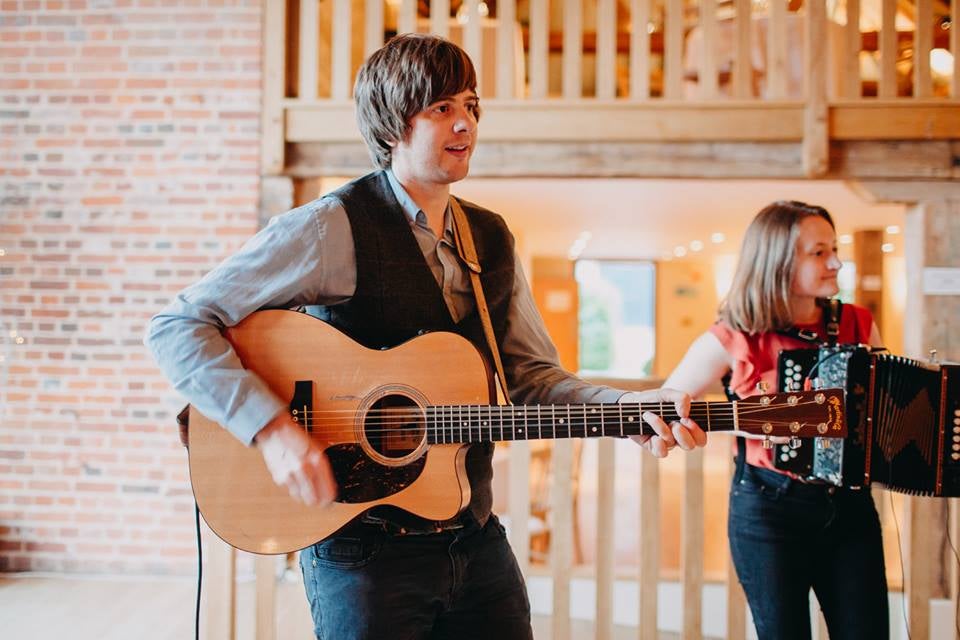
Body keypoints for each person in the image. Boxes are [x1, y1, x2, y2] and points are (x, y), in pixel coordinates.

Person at [145, 34, 706, 640]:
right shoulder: (328, 228)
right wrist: (273, 430)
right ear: (392, 124)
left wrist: (628, 409)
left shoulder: (490, 239)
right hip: (362, 554)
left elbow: (532, 380)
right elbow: (177, 327)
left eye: (470, 105)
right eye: (442, 107)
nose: (465, 122)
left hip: (476, 538)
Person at [662, 201, 888, 640]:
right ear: (778, 261)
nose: (835, 262)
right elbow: (664, 408)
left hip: (850, 508)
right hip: (768, 511)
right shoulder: (734, 334)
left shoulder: (858, 323)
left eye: (834, 249)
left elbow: (884, 406)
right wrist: (740, 421)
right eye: (819, 252)